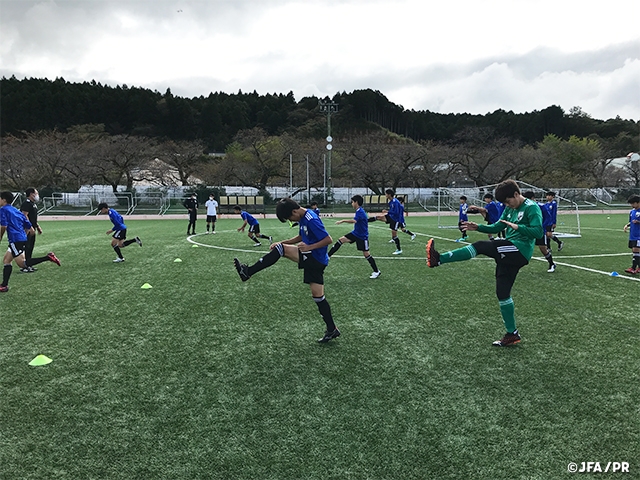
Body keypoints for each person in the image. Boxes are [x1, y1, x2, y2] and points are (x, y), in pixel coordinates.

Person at [425, 180, 543, 347]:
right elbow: (497, 227)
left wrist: (517, 227)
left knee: (481, 246)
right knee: (502, 293)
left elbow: (538, 232)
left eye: (508, 201)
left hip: (519, 249)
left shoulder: (531, 207)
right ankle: (512, 334)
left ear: (516, 194)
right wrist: (478, 227)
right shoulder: (510, 208)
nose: (507, 205)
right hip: (509, 251)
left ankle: (439, 259)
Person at [233, 198, 340, 343]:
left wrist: (308, 247)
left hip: (314, 257)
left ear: (295, 211)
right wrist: (282, 241)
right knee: (318, 297)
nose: (291, 220)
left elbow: (328, 239)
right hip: (315, 259)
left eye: (290, 218)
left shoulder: (311, 219)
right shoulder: (303, 216)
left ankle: (248, 272)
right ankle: (332, 329)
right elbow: (301, 236)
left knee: (281, 250)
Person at [0, 191, 61, 292]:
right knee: (7, 260)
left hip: (15, 240)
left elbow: (3, 226)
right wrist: (23, 235)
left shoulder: (3, 210)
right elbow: (29, 227)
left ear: (4, 200)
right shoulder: (16, 210)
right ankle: (4, 285)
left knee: (22, 264)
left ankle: (48, 257)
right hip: (20, 239)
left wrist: (0, 237)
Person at [328, 195, 381, 279]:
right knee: (341, 240)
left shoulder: (360, 211)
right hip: (355, 233)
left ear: (356, 202)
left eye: (352, 202)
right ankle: (328, 256)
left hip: (362, 236)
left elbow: (354, 221)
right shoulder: (359, 211)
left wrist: (343, 220)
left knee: (366, 254)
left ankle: (376, 271)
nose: (352, 204)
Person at [523, 191, 557, 272]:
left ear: (532, 198)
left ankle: (552, 264)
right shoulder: (525, 206)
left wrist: (542, 227)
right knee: (522, 245)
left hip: (539, 231)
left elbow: (548, 217)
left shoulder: (541, 206)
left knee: (543, 249)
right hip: (529, 230)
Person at [375, 188, 406, 255]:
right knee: (379, 217)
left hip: (396, 220)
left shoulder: (395, 202)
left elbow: (396, 212)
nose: (385, 195)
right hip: (393, 218)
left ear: (389, 194)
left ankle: (399, 249)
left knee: (394, 235)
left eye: (386, 194)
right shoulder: (391, 202)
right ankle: (367, 220)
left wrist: (387, 212)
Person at [19, 187, 43, 273]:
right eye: (36, 193)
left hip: (32, 228)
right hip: (27, 229)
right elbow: (24, 215)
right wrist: (29, 227)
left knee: (30, 247)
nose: (37, 195)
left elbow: (33, 217)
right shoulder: (27, 203)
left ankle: (29, 264)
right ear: (31, 194)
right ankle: (24, 266)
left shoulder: (33, 204)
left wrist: (37, 226)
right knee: (27, 247)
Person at [623, 194, 640, 274]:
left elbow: (636, 221)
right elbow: (631, 221)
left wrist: (638, 222)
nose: (632, 205)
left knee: (635, 250)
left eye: (633, 203)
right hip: (633, 234)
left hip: (639, 235)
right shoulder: (632, 212)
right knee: (635, 251)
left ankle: (633, 268)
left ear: (638, 202)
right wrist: (627, 225)